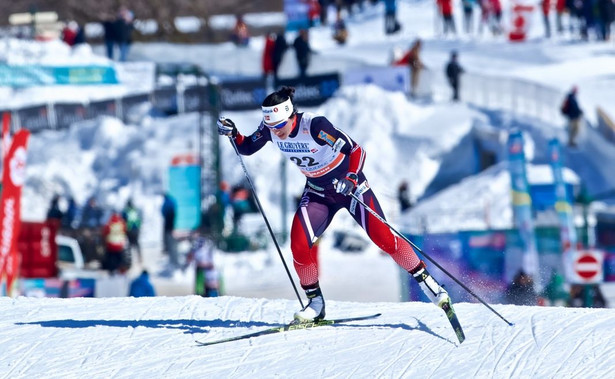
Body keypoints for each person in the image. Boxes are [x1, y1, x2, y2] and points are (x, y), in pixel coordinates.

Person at [217, 86, 452, 323]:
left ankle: (428, 284)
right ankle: (316, 304)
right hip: (319, 193)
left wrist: (350, 178)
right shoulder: (271, 127)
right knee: (299, 246)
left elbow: (356, 150)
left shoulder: (315, 126)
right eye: (271, 127)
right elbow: (246, 147)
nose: (276, 132)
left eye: (279, 126)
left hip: (351, 189)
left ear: (290, 115)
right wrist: (233, 133)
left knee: (384, 238)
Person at [186, 232, 219, 297]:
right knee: (200, 285)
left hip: (207, 268)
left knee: (210, 284)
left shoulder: (207, 248)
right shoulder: (197, 248)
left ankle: (209, 293)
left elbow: (211, 258)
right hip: (200, 268)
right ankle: (200, 294)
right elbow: (191, 257)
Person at [161, 193, 179, 269]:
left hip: (167, 219)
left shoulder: (166, 202)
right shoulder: (172, 201)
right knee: (170, 231)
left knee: (166, 234)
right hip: (172, 218)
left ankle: (166, 247)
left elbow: (162, 210)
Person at [122, 199, 142, 264]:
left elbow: (123, 220)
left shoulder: (126, 211)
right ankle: (139, 257)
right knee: (137, 243)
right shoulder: (136, 210)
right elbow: (139, 219)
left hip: (129, 229)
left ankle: (131, 259)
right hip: (136, 229)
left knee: (130, 245)